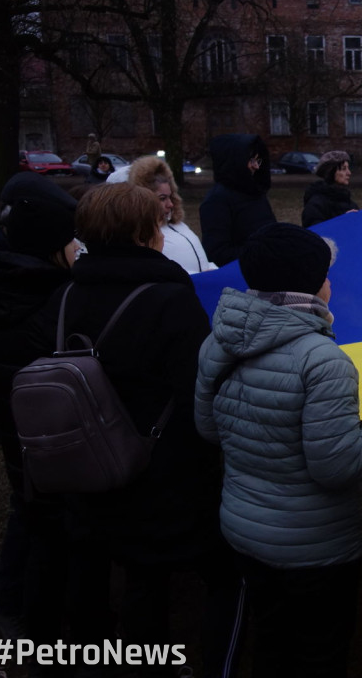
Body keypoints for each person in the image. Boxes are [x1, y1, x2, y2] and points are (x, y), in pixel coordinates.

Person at [45, 183, 243, 674]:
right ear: (146, 232)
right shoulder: (169, 298)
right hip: (163, 466)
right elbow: (199, 384)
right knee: (213, 571)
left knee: (134, 574)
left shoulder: (65, 294)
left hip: (88, 461)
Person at [196, 223, 362, 678]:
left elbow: (208, 429)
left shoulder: (217, 340)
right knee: (319, 652)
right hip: (316, 547)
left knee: (271, 643)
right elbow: (337, 468)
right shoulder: (322, 360)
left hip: (243, 528)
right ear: (313, 282)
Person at [0, 174, 80, 646]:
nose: (77, 250)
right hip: (30, 420)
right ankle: (20, 611)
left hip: (10, 414)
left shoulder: (1, 268)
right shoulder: (34, 290)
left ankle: (19, 603)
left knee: (32, 509)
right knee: (37, 516)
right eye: (69, 242)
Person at [129, 155, 217, 273]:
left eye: (170, 197)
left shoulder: (179, 226)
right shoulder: (145, 237)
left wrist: (212, 270)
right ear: (145, 199)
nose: (170, 204)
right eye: (162, 198)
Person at [199, 133, 276, 266]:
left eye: (258, 160)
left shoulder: (255, 191)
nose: (256, 166)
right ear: (235, 162)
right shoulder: (217, 201)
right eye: (251, 160)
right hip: (242, 276)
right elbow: (217, 253)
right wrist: (263, 252)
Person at [302, 150, 360, 226]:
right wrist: (343, 220)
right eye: (343, 169)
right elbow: (316, 233)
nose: (349, 173)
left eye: (348, 168)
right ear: (330, 172)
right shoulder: (316, 204)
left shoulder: (350, 203)